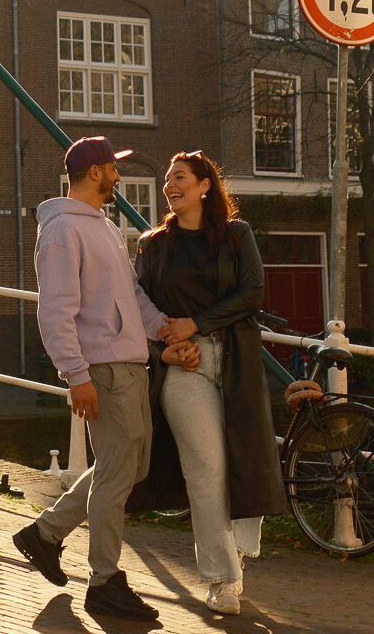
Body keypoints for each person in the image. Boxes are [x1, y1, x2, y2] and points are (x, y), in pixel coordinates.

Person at [11, 136, 169, 622]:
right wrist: (76, 375)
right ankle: (104, 583)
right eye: (113, 168)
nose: (118, 176)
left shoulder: (103, 226)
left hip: (129, 365)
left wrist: (163, 328)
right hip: (104, 369)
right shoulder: (62, 230)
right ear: (95, 172)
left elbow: (131, 296)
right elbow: (55, 311)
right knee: (117, 474)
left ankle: (45, 534)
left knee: (127, 469)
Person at [128, 150, 281, 616]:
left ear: (204, 186)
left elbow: (253, 292)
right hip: (184, 368)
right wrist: (169, 346)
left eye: (179, 177)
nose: (169, 186)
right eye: (166, 180)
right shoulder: (153, 246)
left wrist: (196, 323)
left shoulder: (237, 235)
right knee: (206, 468)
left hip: (236, 361)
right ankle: (220, 581)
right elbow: (139, 309)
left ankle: (234, 555)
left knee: (245, 459)